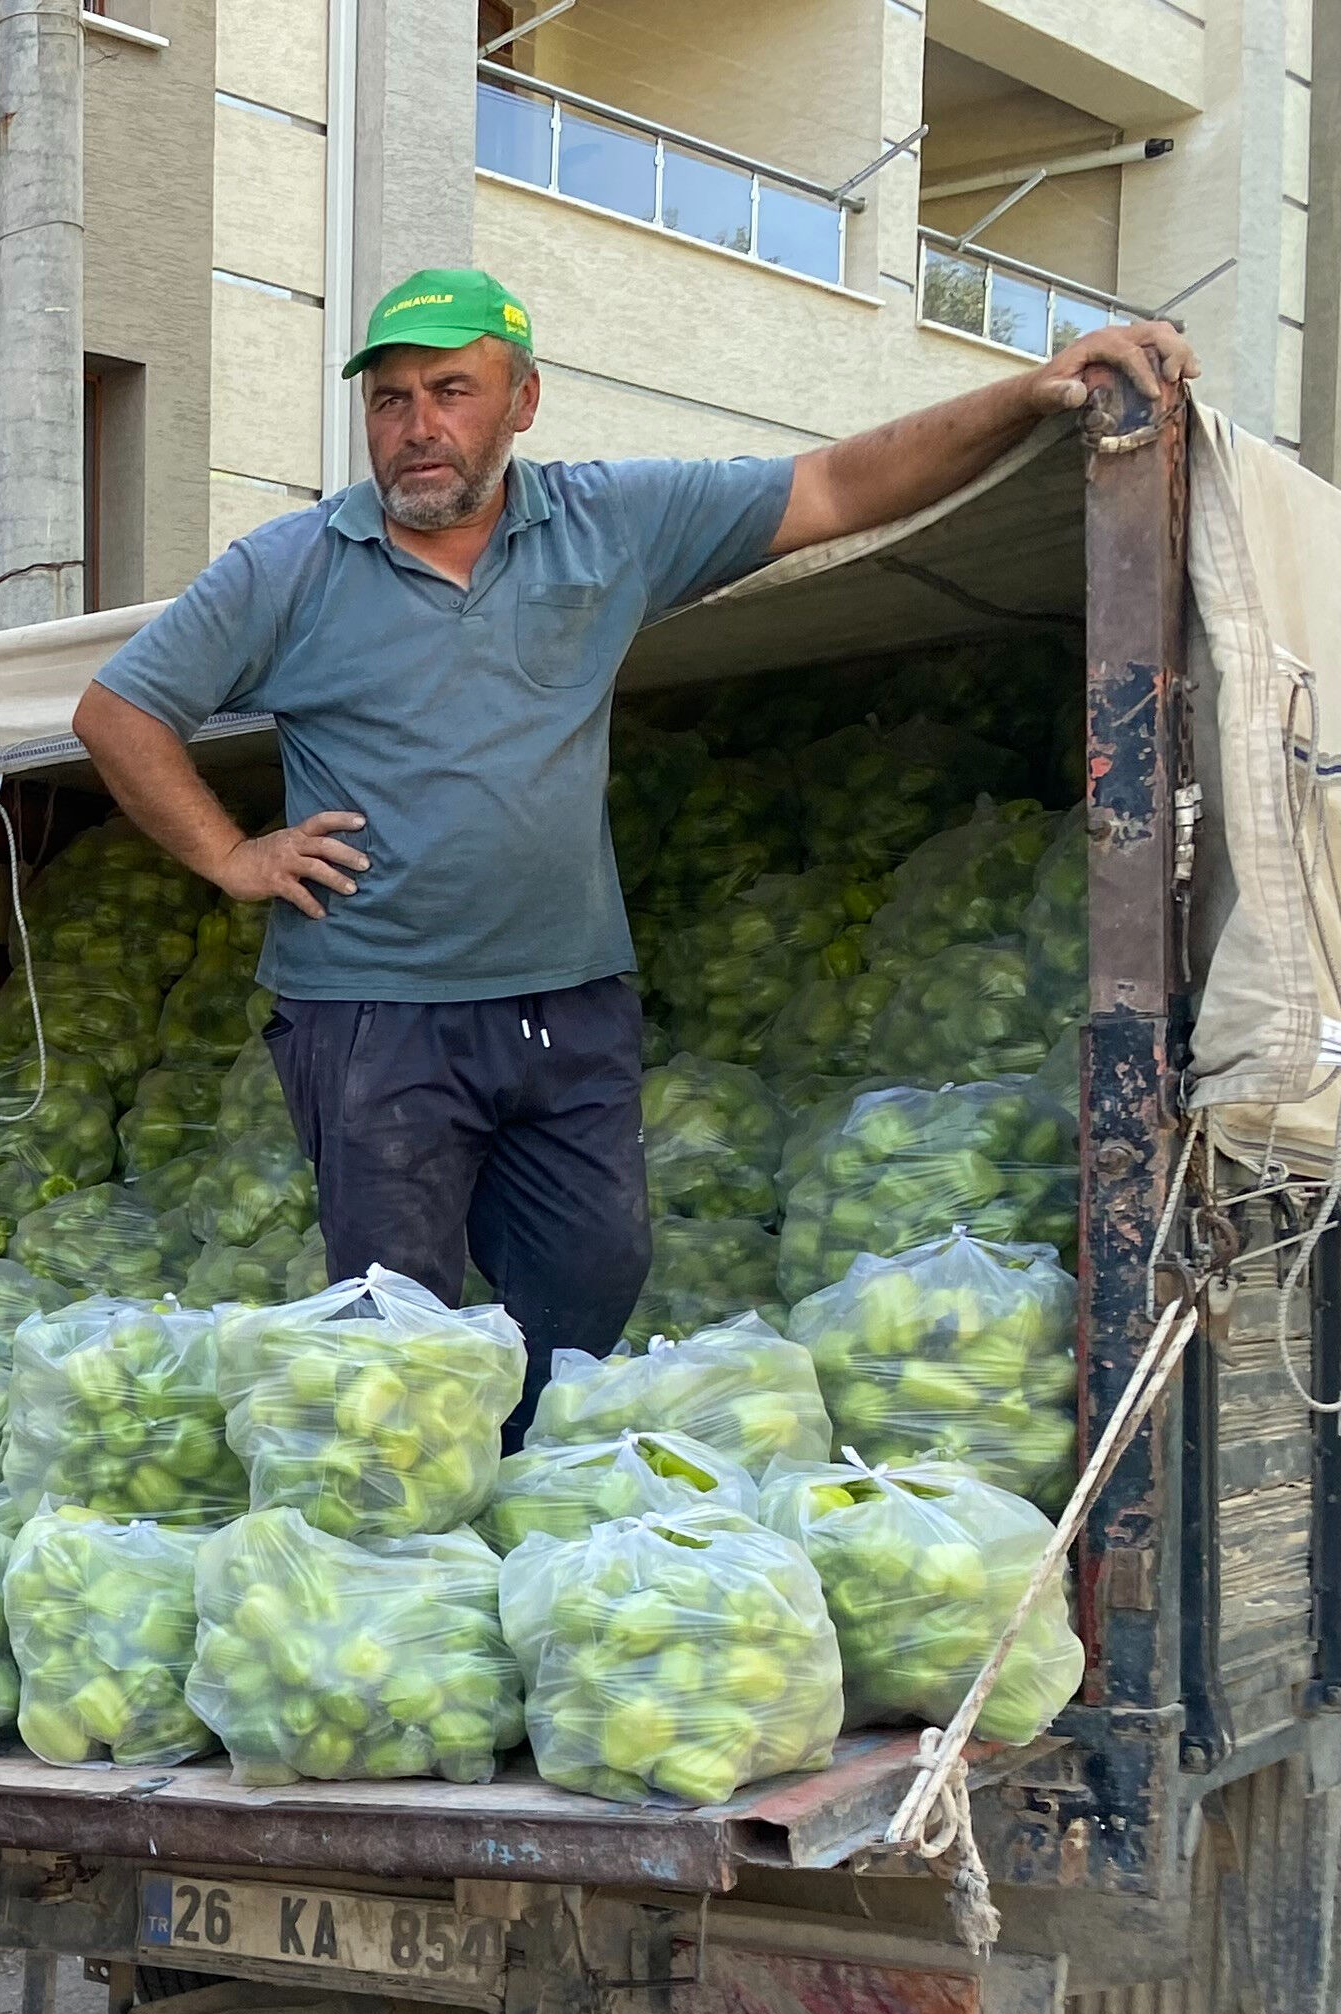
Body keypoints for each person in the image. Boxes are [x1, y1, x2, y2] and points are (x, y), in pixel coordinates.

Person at [72, 268, 1199, 1425]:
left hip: (567, 1004)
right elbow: (119, 711)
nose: (417, 427)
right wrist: (232, 855)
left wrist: (1024, 394)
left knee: (591, 1276)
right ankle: (426, 1504)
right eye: (390, 399)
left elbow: (835, 484)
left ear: (523, 401)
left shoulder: (608, 525)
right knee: (396, 1314)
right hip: (373, 1013)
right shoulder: (290, 566)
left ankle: (527, 1467)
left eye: (451, 391)